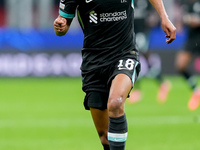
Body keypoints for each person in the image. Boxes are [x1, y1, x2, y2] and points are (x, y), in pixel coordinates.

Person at [54, 0, 176, 149]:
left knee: (116, 102)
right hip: (94, 62)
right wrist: (60, 25)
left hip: (124, 54)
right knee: (105, 137)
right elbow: (62, 27)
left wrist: (164, 16)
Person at [128, 0, 171, 104]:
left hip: (143, 31)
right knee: (141, 59)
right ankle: (162, 82)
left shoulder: (145, 1)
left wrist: (152, 20)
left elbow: (154, 12)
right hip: (131, 31)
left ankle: (137, 90)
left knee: (135, 56)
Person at [175, 0, 200, 111]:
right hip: (192, 38)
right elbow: (184, 19)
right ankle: (196, 90)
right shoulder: (186, 4)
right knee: (180, 65)